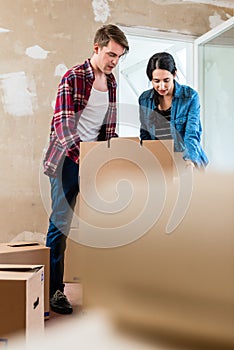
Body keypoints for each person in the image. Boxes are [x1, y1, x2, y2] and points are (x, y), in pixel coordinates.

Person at [43, 24, 129, 314]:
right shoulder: (73, 77)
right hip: (69, 158)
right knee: (61, 225)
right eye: (110, 54)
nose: (114, 61)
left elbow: (109, 127)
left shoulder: (113, 83)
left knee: (106, 224)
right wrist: (87, 158)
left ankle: (106, 288)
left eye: (118, 56)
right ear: (97, 48)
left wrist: (111, 155)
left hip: (94, 158)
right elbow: (64, 127)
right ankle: (55, 290)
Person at [139, 52, 208, 169]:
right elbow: (145, 134)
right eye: (156, 81)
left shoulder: (190, 96)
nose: (161, 87)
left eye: (166, 80)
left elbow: (192, 133)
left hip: (187, 160)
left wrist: (190, 161)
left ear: (174, 74)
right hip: (160, 163)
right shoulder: (144, 99)